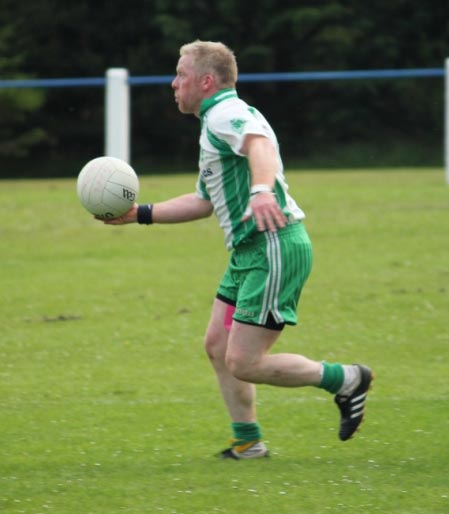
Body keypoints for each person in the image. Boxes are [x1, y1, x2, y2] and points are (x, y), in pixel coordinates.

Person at [100, 40, 373, 459]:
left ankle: (346, 379)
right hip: (248, 253)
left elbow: (259, 145)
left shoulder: (227, 113)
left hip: (273, 247)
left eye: (181, 75)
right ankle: (247, 442)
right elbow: (204, 202)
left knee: (244, 361)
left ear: (206, 81)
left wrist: (263, 190)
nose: (174, 84)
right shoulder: (215, 121)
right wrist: (140, 214)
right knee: (217, 345)